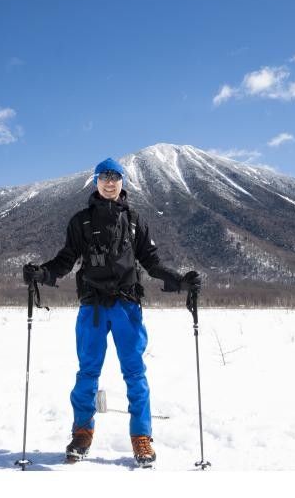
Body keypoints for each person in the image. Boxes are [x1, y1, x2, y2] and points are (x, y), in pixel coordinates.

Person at [23, 157, 201, 468]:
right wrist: (42, 273)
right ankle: (82, 433)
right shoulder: (81, 221)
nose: (110, 182)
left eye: (115, 177)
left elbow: (152, 262)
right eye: (104, 177)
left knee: (135, 373)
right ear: (95, 182)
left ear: (122, 182)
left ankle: (141, 438)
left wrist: (180, 281)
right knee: (87, 373)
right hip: (92, 306)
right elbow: (66, 259)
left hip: (127, 306)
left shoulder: (135, 220)